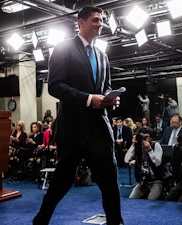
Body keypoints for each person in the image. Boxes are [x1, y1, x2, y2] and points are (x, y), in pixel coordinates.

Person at [33, 7, 123, 225]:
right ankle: (41, 220)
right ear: (80, 22)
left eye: (101, 20)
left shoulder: (102, 55)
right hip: (73, 130)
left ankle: (116, 222)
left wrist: (111, 100)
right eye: (95, 20)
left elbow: (105, 86)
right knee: (61, 183)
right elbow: (55, 86)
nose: (100, 24)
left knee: (110, 183)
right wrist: (88, 99)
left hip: (100, 130)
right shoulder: (63, 49)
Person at [124, 128, 164, 200]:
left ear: (151, 138)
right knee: (131, 200)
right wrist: (133, 145)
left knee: (151, 200)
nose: (143, 139)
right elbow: (126, 160)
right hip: (143, 181)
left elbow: (157, 163)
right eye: (141, 137)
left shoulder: (155, 145)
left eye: (146, 137)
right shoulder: (137, 147)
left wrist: (149, 149)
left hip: (155, 180)